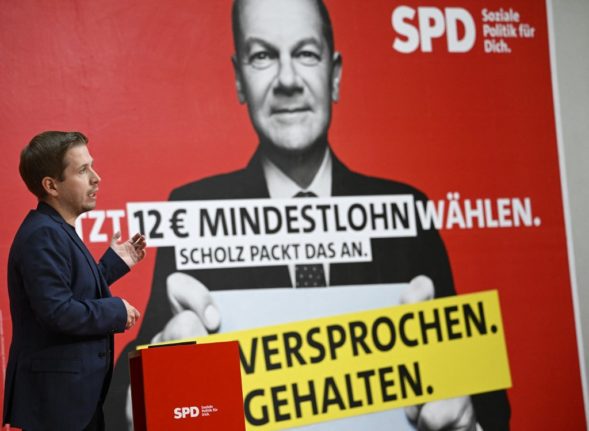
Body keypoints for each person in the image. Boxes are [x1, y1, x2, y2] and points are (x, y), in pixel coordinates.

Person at [108, 0, 510, 430]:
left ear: (334, 75)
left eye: (305, 53)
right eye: (262, 55)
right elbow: (122, 401)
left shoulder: (407, 212)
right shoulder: (192, 210)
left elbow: (487, 403)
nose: (286, 80)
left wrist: (466, 420)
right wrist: (148, 396)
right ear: (239, 77)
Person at [3, 131, 145, 431]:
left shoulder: (54, 229)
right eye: (82, 170)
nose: (96, 178)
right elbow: (57, 311)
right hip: (57, 408)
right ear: (51, 185)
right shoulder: (43, 234)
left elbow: (70, 291)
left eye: (92, 166)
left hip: (72, 403)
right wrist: (116, 311)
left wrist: (113, 265)